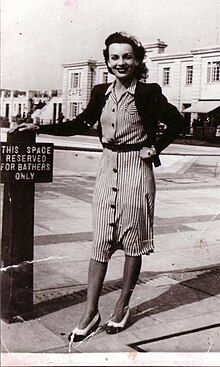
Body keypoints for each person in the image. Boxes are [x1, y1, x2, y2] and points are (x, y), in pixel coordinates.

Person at [10, 32, 185, 342]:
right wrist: (39, 126)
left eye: (127, 57)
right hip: (107, 170)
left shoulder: (148, 93)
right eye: (115, 57)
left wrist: (155, 147)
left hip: (136, 171)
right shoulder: (100, 92)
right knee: (101, 240)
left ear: (137, 60)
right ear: (107, 61)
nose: (121, 62)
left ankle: (122, 306)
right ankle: (91, 312)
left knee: (133, 241)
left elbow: (177, 122)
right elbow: (79, 124)